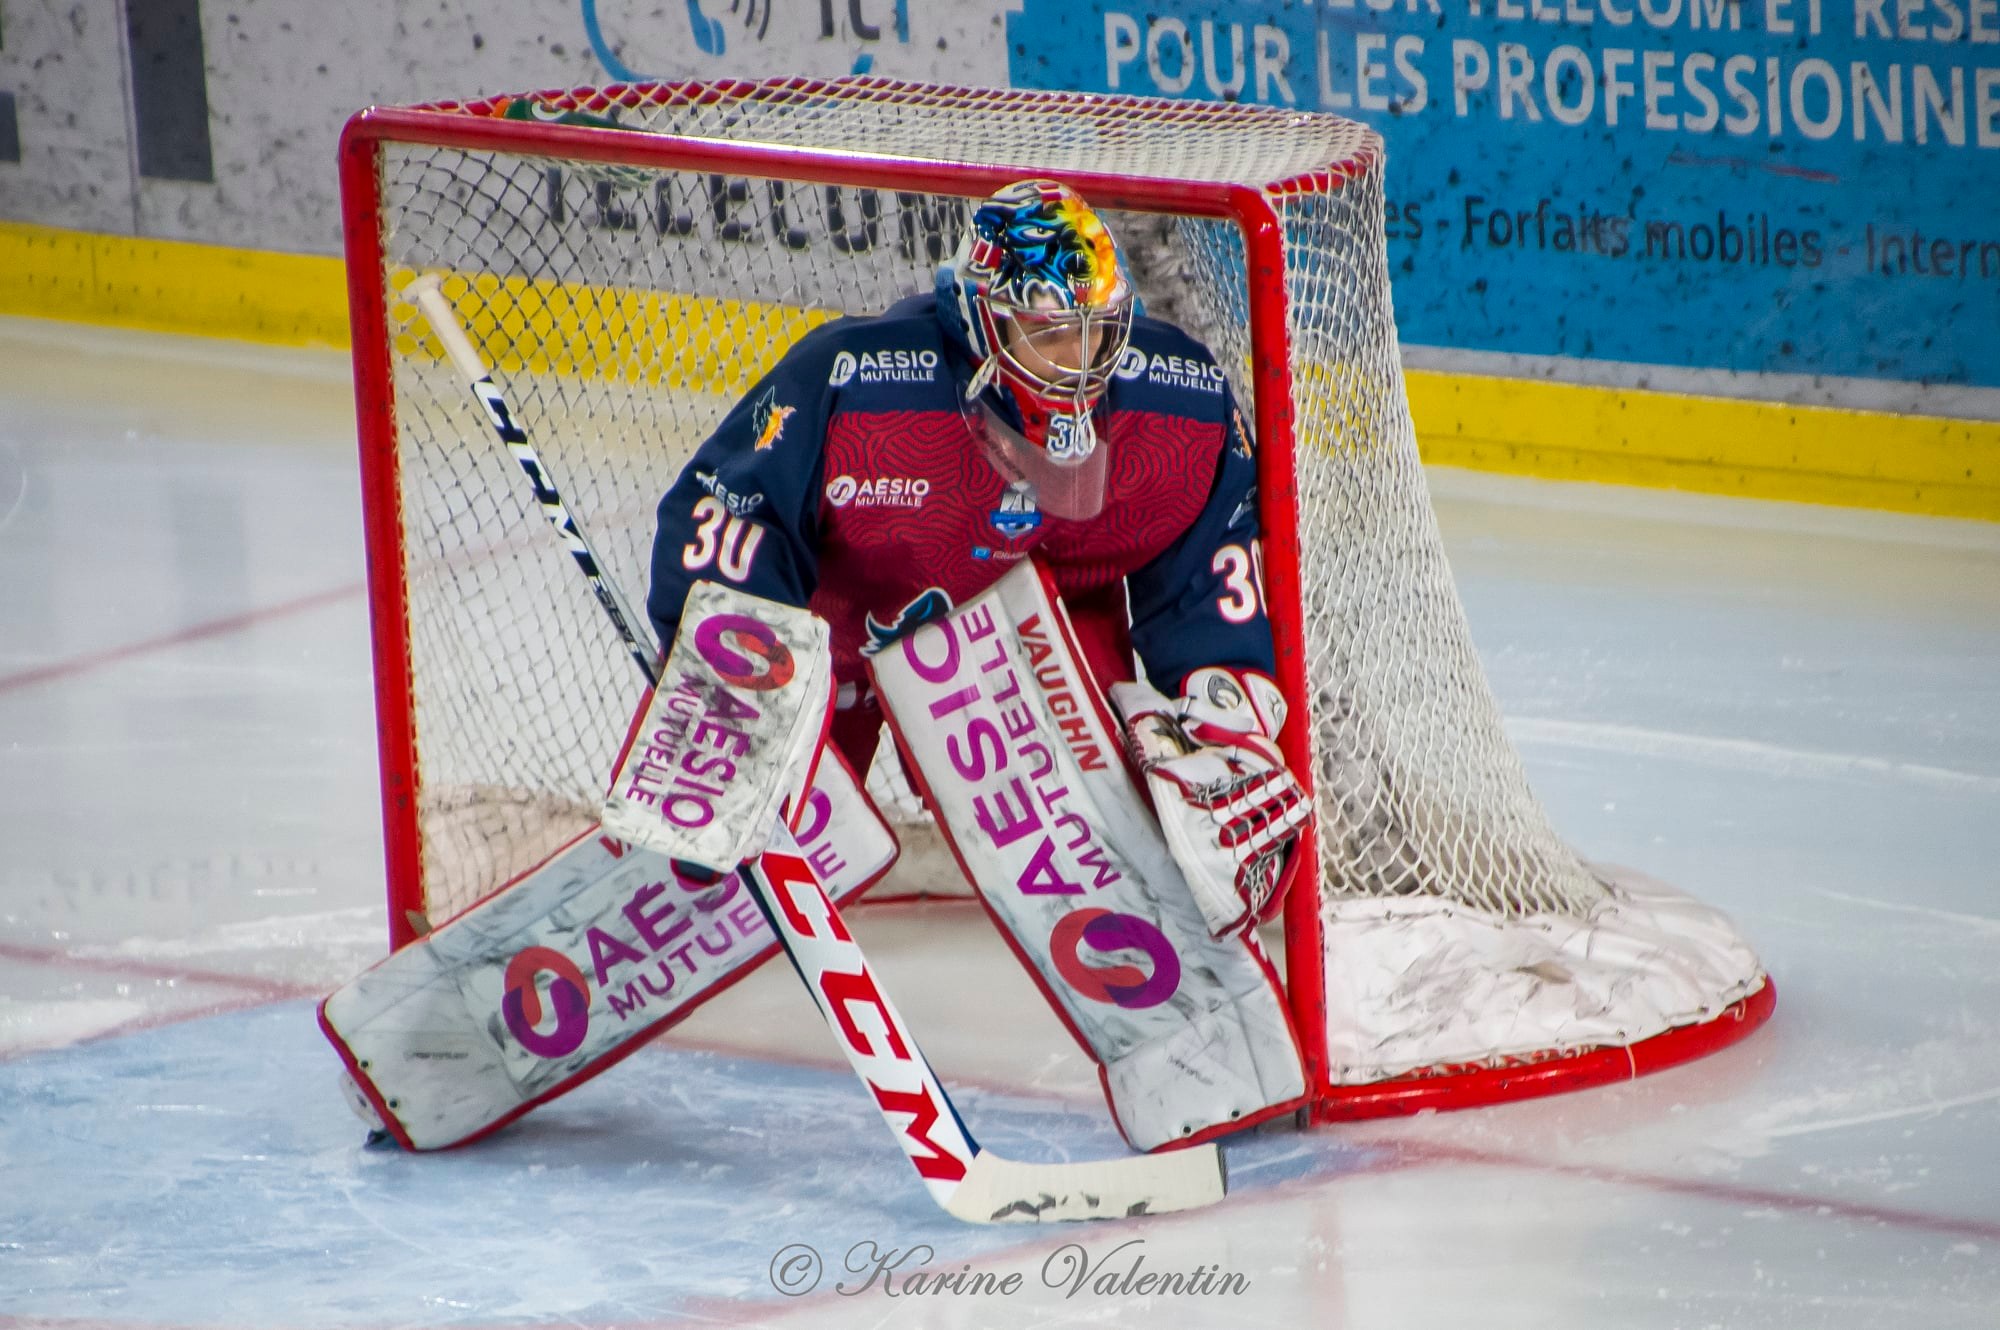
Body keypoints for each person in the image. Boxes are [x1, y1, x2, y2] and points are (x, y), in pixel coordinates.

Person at [647, 179, 1307, 935]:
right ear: (979, 321)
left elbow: (1213, 557)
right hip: (843, 628)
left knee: (1121, 824)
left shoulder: (1180, 400)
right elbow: (733, 510)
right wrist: (737, 683)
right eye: (1047, 333)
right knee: (724, 878)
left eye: (1094, 331)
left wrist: (1229, 708)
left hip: (1022, 632)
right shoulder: (855, 383)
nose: (1077, 363)